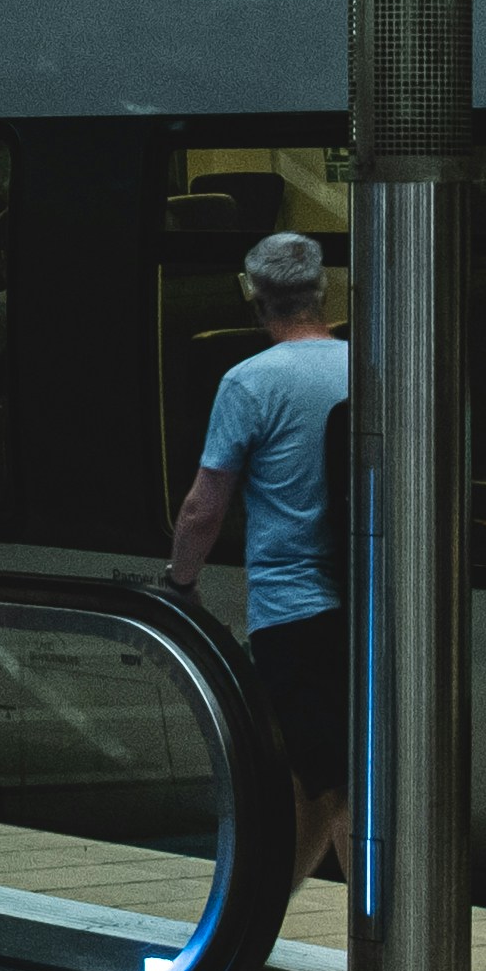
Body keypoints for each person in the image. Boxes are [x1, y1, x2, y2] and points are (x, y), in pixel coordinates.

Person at [155, 229, 354, 894]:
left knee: (331, 785)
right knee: (322, 782)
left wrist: (180, 584)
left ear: (254, 297)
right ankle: (262, 916)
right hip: (366, 608)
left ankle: (375, 959)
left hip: (293, 613)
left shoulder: (249, 383)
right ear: (323, 292)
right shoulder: (365, 367)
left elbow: (203, 507)